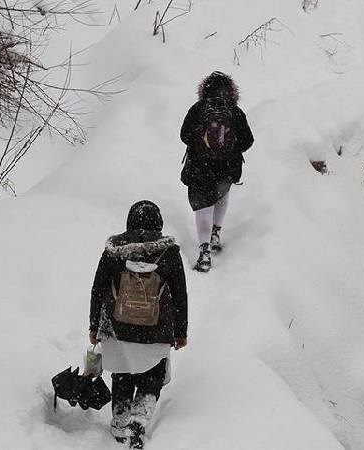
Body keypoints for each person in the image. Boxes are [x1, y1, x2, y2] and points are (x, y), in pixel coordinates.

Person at [89, 200, 188, 449]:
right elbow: (180, 294)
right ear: (159, 223)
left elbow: (98, 289)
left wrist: (94, 326)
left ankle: (120, 419)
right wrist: (180, 331)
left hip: (117, 327)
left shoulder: (114, 250)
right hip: (157, 328)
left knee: (122, 372)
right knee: (152, 373)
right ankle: (139, 419)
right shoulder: (169, 252)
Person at [180, 71, 254, 272]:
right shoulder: (235, 112)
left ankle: (204, 251)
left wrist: (201, 146)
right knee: (221, 196)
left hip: (199, 169)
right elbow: (248, 140)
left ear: (205, 89)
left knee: (203, 206)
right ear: (231, 91)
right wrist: (229, 149)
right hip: (226, 169)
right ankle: (216, 234)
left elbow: (184, 135)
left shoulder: (198, 109)